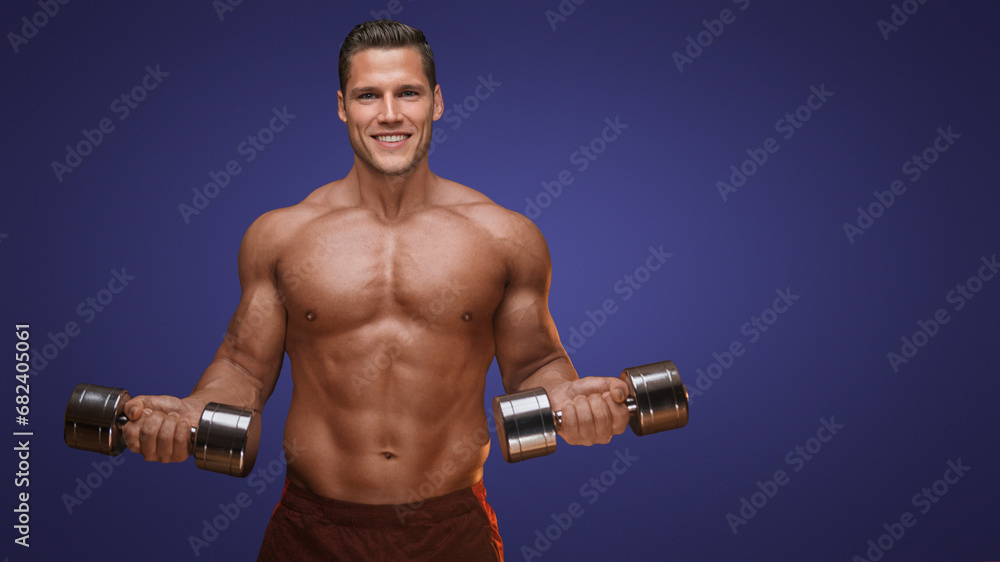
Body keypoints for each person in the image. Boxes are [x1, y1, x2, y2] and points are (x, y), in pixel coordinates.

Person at [123, 19, 631, 561]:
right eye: (369, 95)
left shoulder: (504, 237)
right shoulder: (281, 236)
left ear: (436, 101)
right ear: (343, 105)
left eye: (407, 92)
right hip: (314, 530)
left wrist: (568, 400)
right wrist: (194, 410)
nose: (389, 114)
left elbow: (534, 365)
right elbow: (246, 368)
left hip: (450, 529)